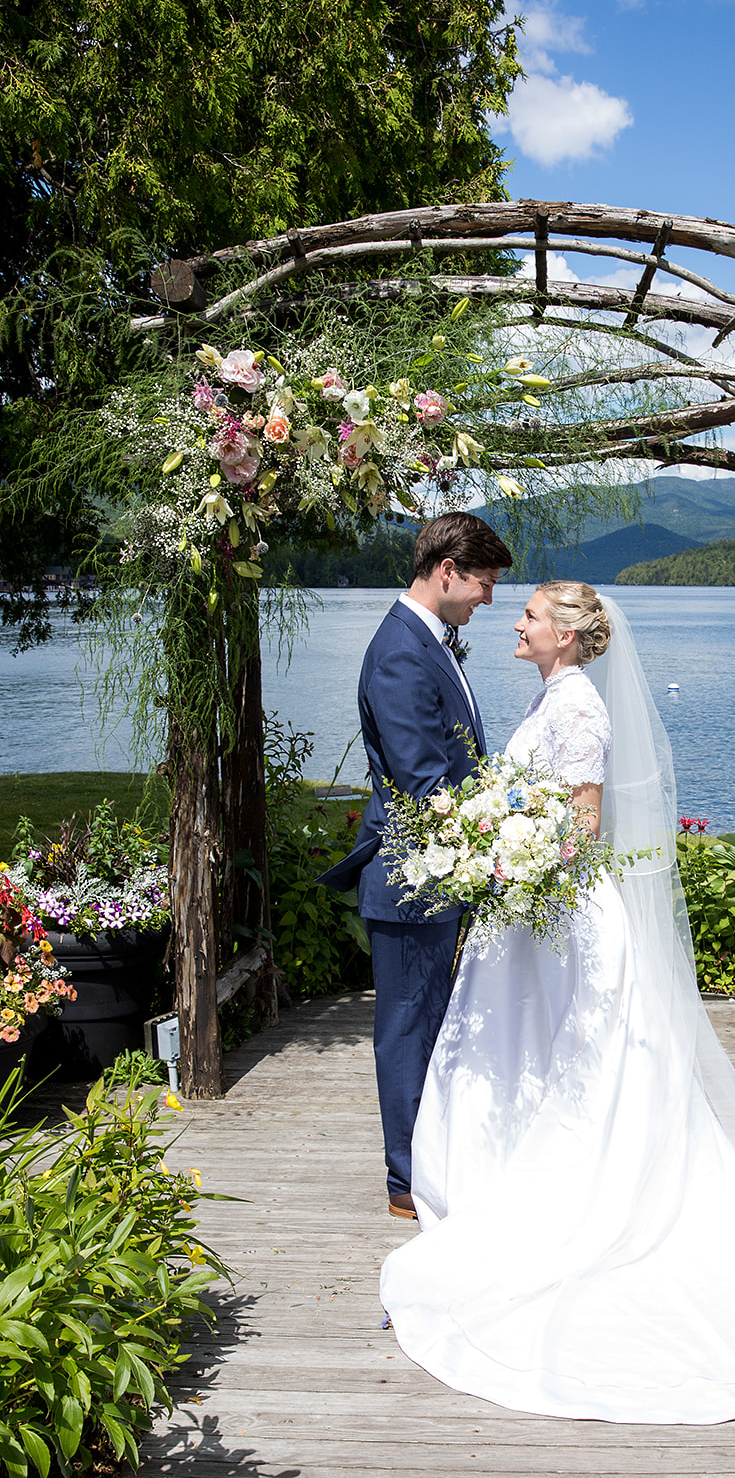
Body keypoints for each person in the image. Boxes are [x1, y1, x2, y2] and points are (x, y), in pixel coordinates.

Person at [379, 582, 735, 1425]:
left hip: (560, 915)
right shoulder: (555, 697)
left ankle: (566, 1189)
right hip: (532, 912)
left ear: (565, 636)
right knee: (528, 1049)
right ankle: (502, 1170)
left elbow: (581, 825)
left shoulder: (578, 708)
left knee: (570, 1055)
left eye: (529, 618)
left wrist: (507, 861)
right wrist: (491, 847)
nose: (516, 624)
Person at [317, 512, 513, 1221]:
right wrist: (498, 845)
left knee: (429, 1022)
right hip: (410, 874)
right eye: (484, 585)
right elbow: (424, 780)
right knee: (407, 1025)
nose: (488, 600)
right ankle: (406, 1179)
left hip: (435, 869)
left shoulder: (427, 641)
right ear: (447, 571)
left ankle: (427, 1159)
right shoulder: (401, 651)